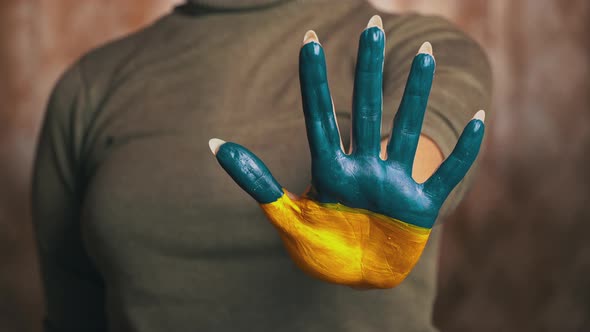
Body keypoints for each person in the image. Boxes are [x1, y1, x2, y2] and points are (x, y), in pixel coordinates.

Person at [32, 0, 492, 331]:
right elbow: (74, 313)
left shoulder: (416, 46)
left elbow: (436, 126)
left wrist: (396, 183)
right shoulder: (88, 88)